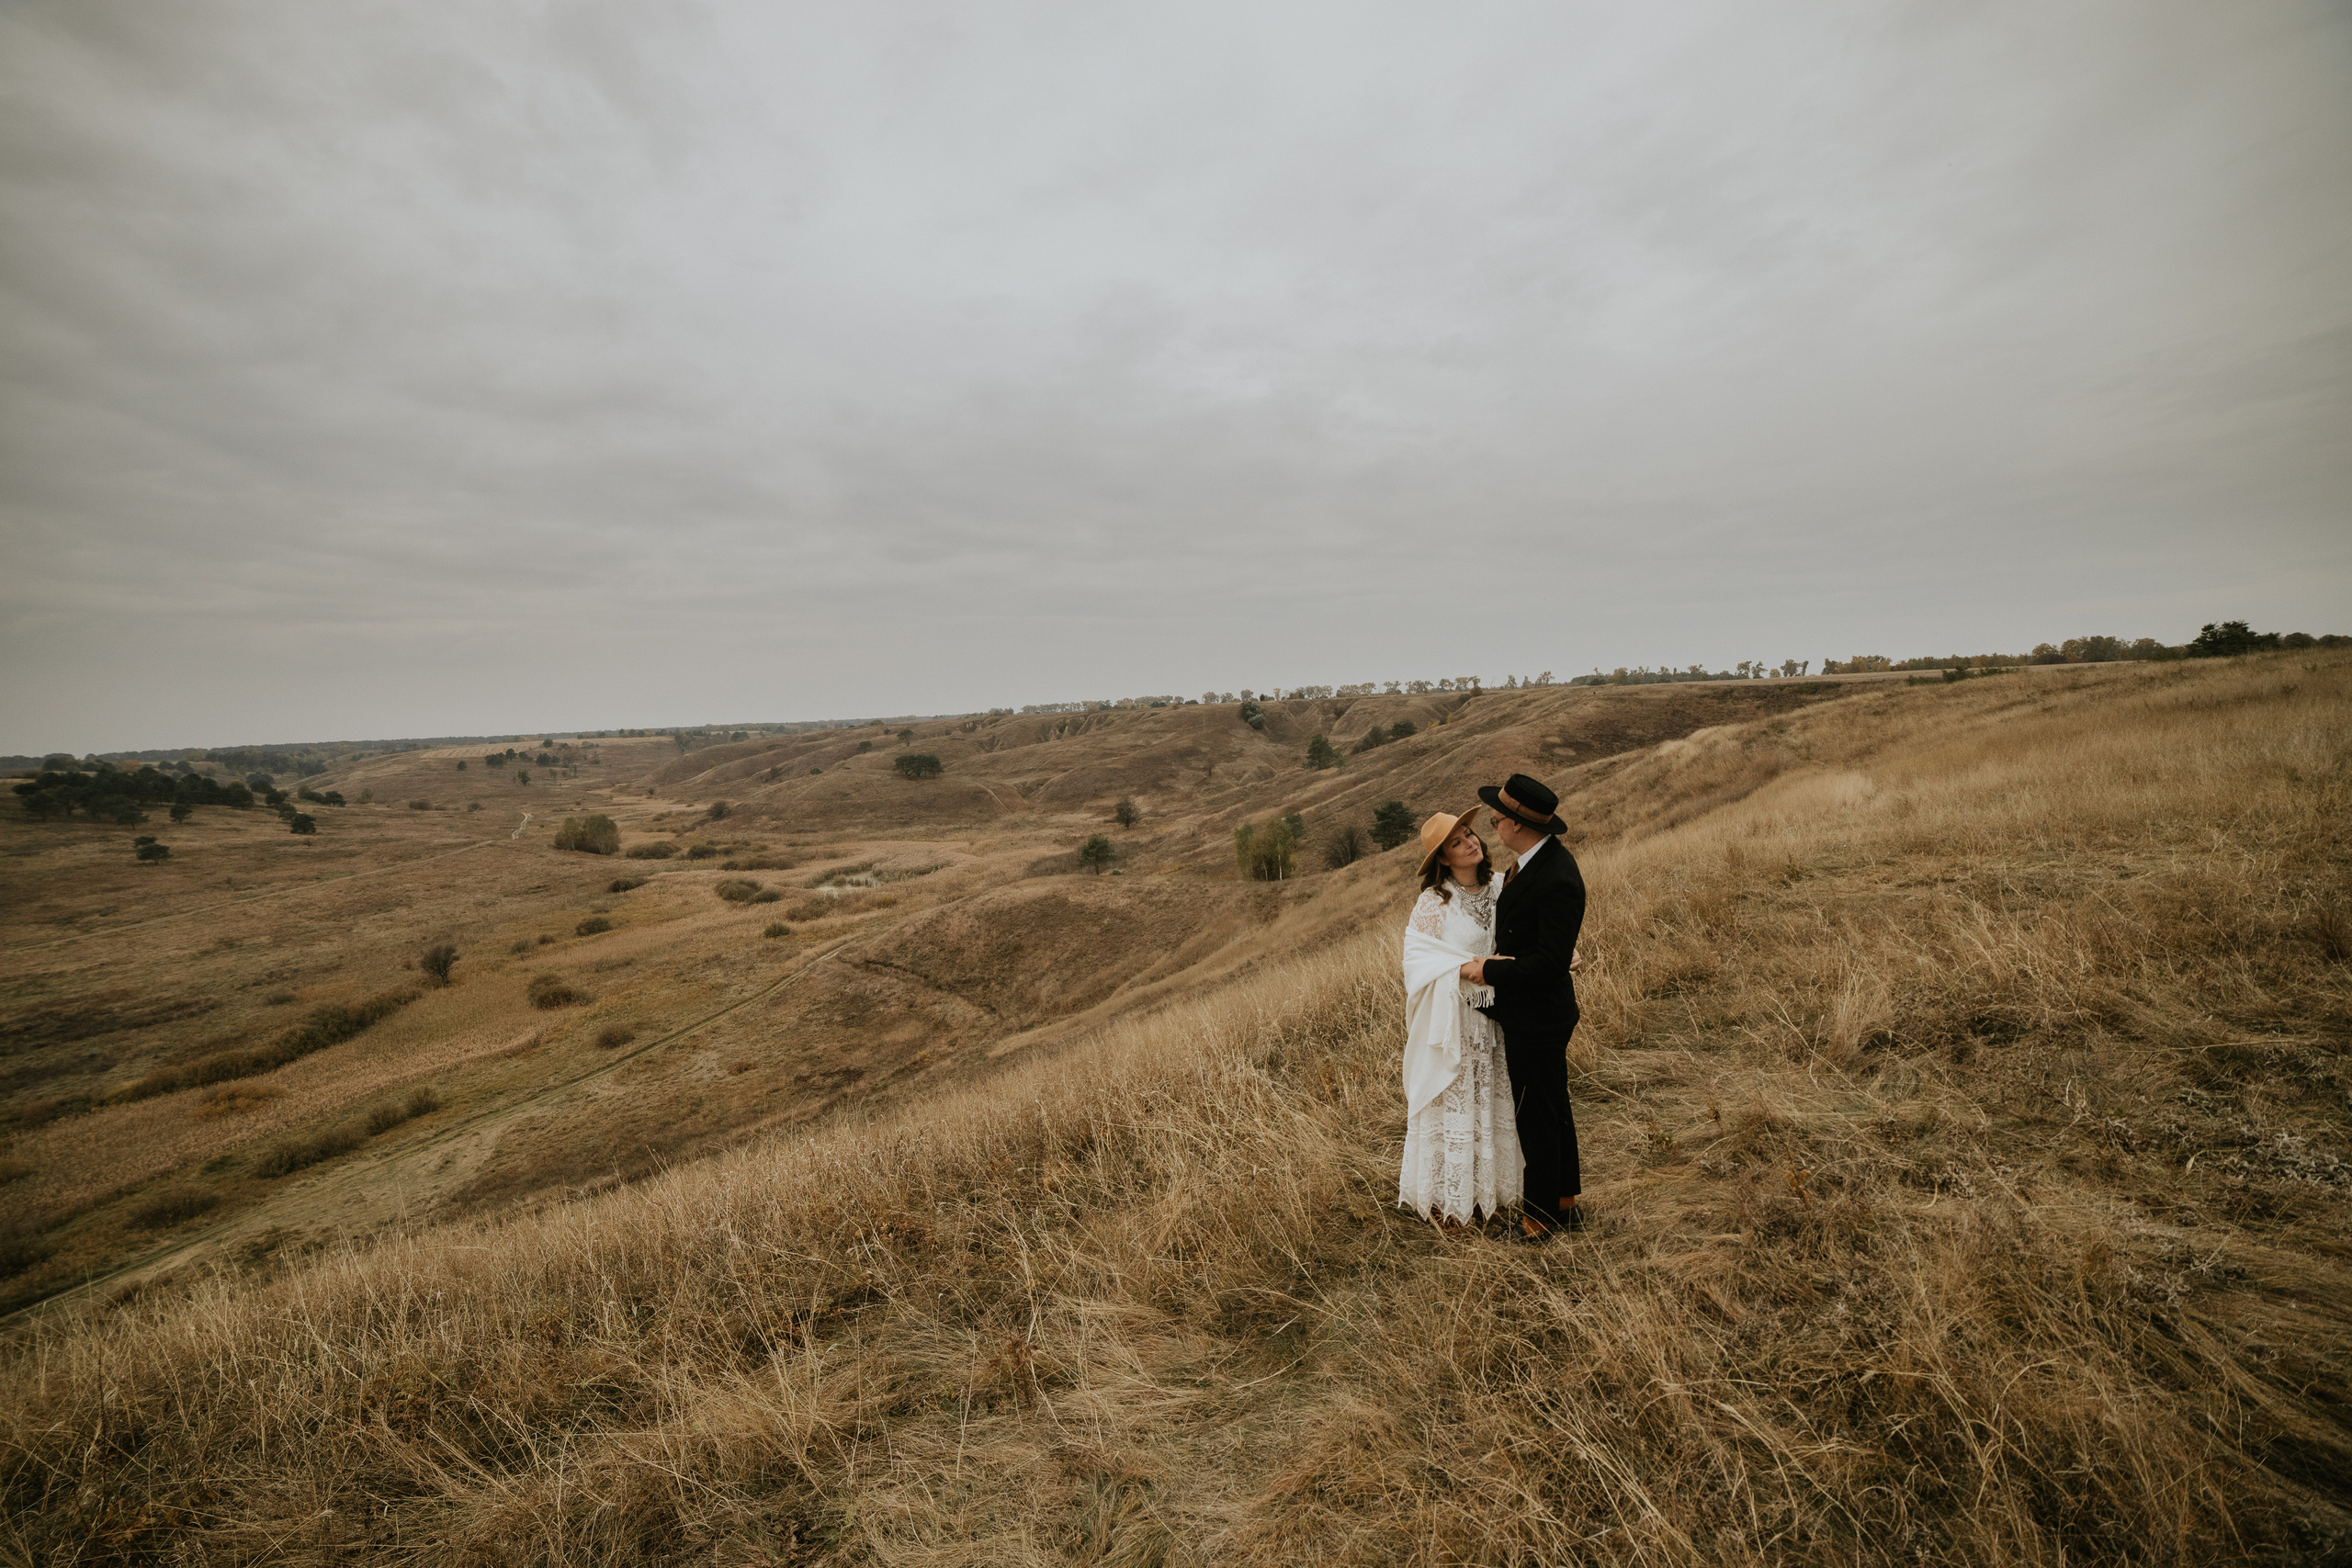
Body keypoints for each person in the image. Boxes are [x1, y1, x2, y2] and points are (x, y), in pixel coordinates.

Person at [1464, 773, 1589, 1239]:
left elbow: (1549, 963)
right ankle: (1564, 1201)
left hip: (1538, 1016)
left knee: (1535, 1115)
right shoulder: (1532, 863)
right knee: (1553, 1108)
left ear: (1516, 824)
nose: (1494, 826)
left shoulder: (1556, 876)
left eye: (1496, 819)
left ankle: (1538, 1219)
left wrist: (1489, 970)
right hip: (1536, 1012)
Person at [1398, 809, 1523, 1227]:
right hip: (1455, 1020)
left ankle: (1490, 1197)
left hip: (1497, 1016)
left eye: (1470, 834)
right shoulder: (1434, 902)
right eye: (1457, 842)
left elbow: (1528, 933)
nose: (1470, 843)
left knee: (1491, 1100)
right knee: (1457, 1103)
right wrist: (1474, 967)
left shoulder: (1503, 886)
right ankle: (1450, 1204)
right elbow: (1417, 961)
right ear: (1443, 859)